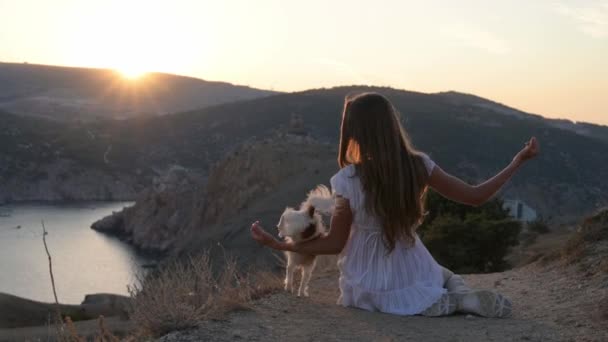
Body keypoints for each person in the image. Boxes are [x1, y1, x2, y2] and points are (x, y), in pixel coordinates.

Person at [250, 92, 540, 317]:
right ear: (391, 125)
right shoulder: (419, 166)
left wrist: (280, 245)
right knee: (441, 275)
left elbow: (335, 243)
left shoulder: (346, 179)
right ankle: (461, 296)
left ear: (354, 133)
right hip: (411, 265)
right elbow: (475, 196)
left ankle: (456, 301)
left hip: (365, 285)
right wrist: (518, 161)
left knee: (430, 282)